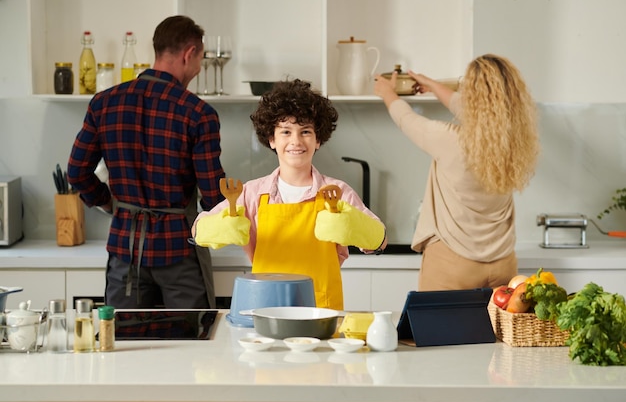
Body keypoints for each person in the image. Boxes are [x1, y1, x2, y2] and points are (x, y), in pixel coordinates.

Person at [67, 15, 225, 309]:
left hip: (124, 251)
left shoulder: (104, 103)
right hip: (180, 252)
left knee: (125, 346)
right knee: (190, 346)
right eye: (200, 59)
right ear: (189, 53)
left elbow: (76, 172)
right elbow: (215, 196)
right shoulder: (198, 113)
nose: (199, 68)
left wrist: (109, 203)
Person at [192, 79, 387, 310]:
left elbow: (381, 241)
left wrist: (353, 225)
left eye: (305, 131)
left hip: (320, 308)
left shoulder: (337, 192)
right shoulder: (252, 193)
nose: (296, 141)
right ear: (272, 139)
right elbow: (197, 231)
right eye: (286, 131)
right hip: (266, 307)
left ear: (318, 140)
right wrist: (221, 227)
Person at [373, 53, 540, 291]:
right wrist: (432, 85)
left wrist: (387, 92)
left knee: (437, 329)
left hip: (452, 262)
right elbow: (478, 112)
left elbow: (406, 119)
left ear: (472, 96)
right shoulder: (512, 141)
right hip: (503, 263)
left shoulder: (450, 140)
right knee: (495, 330)